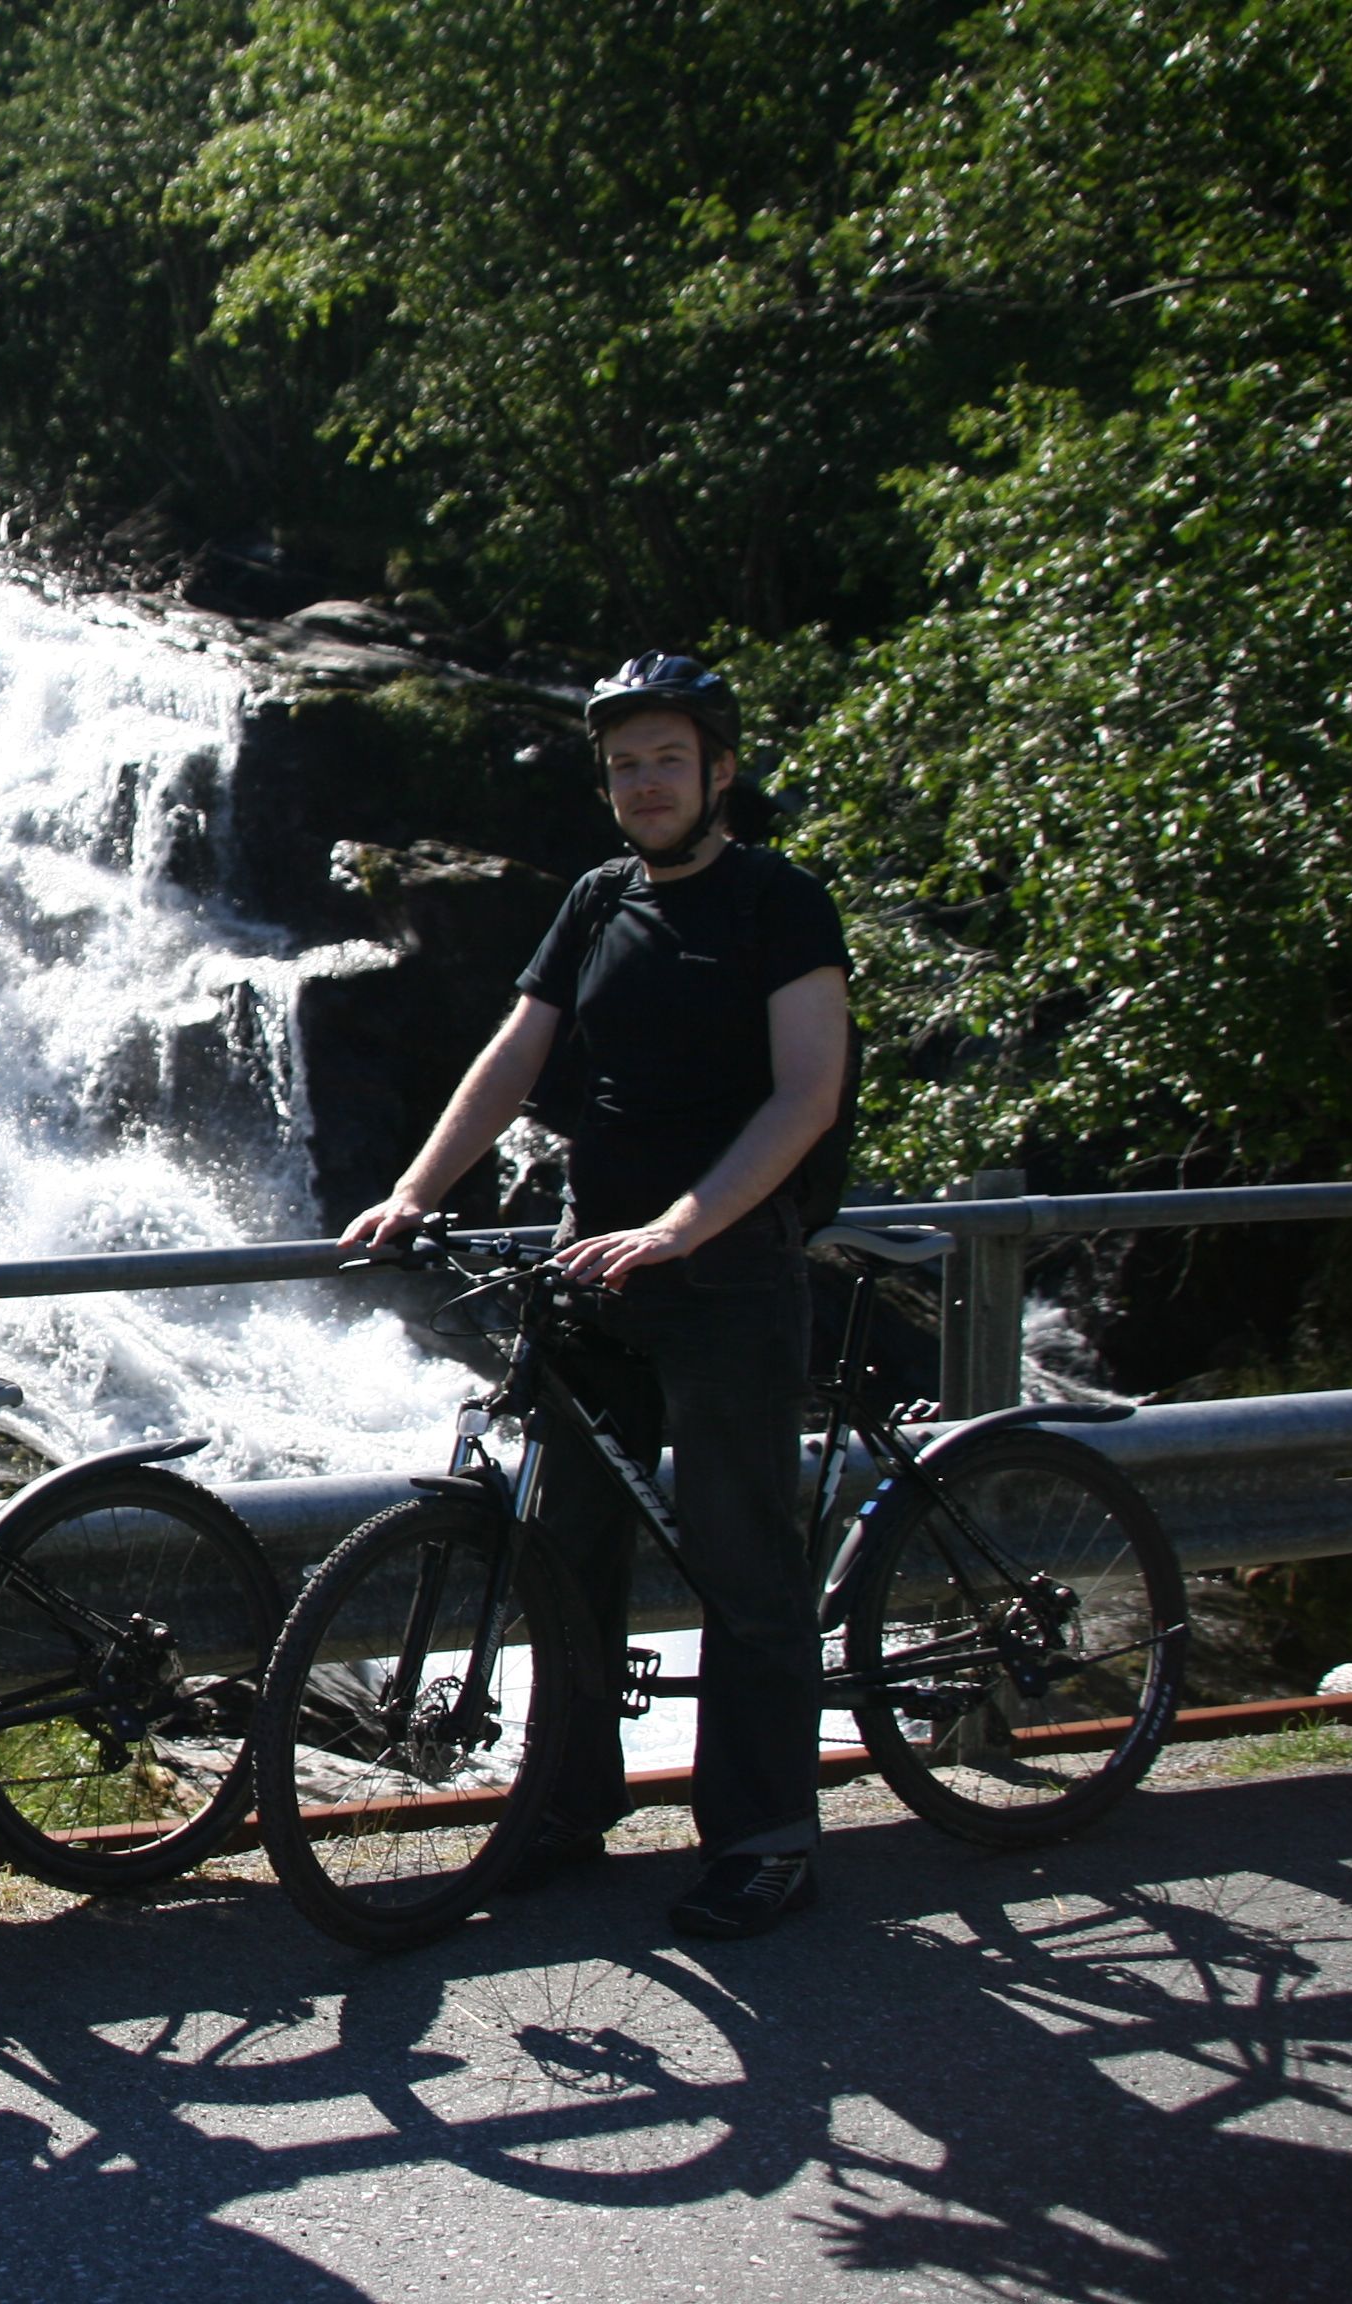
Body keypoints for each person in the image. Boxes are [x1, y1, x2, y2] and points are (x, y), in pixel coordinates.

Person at [338, 653, 851, 1940]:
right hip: (591, 1264)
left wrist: (684, 1224)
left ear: (719, 769)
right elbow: (514, 1054)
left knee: (743, 1558)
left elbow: (808, 1092)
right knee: (568, 1550)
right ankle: (567, 1804)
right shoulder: (596, 898)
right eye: (624, 765)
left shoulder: (779, 901)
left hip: (726, 1267)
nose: (644, 783)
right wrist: (411, 1190)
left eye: (667, 759)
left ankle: (765, 1837)